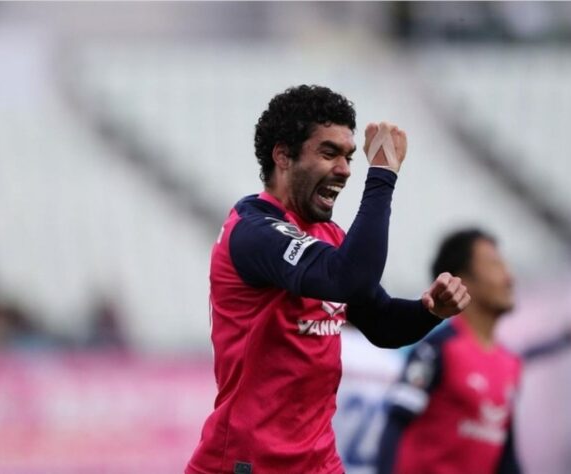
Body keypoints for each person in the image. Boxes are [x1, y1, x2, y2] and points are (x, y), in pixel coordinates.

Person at [185, 85, 470, 474]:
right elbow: (348, 280)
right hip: (247, 463)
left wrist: (429, 311)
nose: (346, 169)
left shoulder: (328, 238)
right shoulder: (251, 231)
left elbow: (381, 322)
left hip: (318, 462)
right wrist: (382, 173)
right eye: (329, 153)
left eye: (350, 156)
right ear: (283, 156)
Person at [377, 228, 571, 474]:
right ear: (461, 282)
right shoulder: (436, 351)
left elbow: (505, 456)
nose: (510, 278)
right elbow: (395, 424)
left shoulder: (510, 364)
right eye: (495, 265)